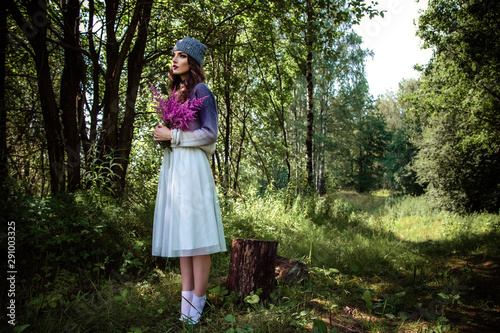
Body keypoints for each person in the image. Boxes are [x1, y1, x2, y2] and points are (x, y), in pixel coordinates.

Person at [151, 36, 226, 325]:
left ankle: (198, 307)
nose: (174, 59)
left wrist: (174, 136)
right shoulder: (175, 94)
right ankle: (185, 309)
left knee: (198, 239)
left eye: (181, 55)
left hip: (193, 168)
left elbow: (210, 134)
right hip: (175, 168)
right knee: (184, 239)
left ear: (192, 61)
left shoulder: (201, 90)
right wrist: (163, 135)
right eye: (174, 54)